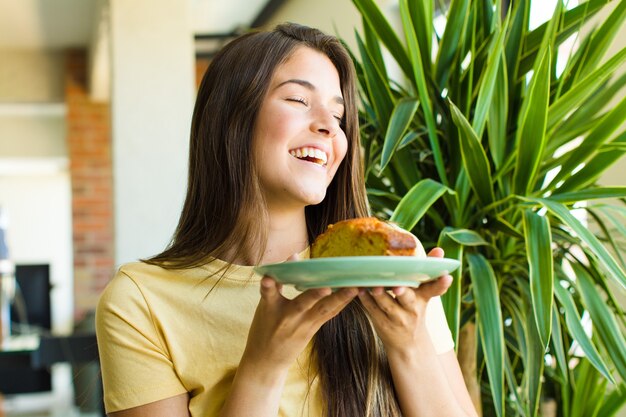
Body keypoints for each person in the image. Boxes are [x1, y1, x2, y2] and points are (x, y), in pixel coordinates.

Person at [96, 23, 478, 417]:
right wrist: (263, 366)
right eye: (298, 99)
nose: (330, 125)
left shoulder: (390, 263)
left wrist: (409, 343)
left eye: (338, 113)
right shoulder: (140, 301)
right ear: (231, 118)